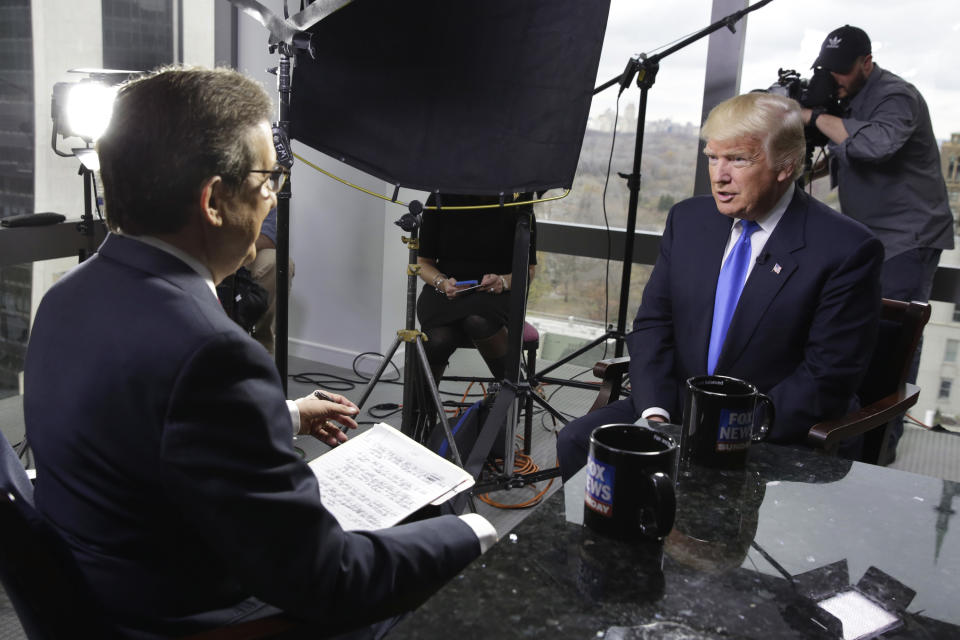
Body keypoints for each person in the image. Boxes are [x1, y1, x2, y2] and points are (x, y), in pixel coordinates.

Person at [23, 67, 495, 639]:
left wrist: (289, 413)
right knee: (445, 528)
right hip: (199, 617)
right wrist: (475, 535)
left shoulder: (65, 299)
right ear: (215, 200)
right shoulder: (210, 349)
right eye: (269, 177)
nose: (273, 197)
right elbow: (325, 580)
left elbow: (145, 421)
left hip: (115, 588)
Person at [557, 92, 884, 481]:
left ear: (786, 165)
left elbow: (826, 377)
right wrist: (655, 413)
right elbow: (653, 326)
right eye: (712, 157)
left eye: (738, 159)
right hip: (675, 410)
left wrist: (723, 431)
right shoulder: (689, 220)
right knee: (577, 440)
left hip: (769, 428)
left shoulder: (847, 249)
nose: (719, 175)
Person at [801, 25, 954, 458]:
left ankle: (880, 447)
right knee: (860, 330)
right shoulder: (846, 99)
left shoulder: (896, 96)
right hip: (871, 236)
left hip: (908, 237)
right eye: (829, 71)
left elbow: (874, 146)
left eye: (844, 71)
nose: (837, 79)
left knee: (893, 339)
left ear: (867, 62)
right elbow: (843, 155)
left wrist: (813, 118)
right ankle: (853, 433)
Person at [415, 193, 536, 385]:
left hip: (497, 293)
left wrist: (503, 281)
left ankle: (515, 387)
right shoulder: (440, 197)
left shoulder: (519, 203)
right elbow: (423, 263)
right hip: (447, 291)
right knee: (438, 339)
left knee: (478, 321)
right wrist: (442, 282)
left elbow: (528, 270)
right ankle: (423, 410)